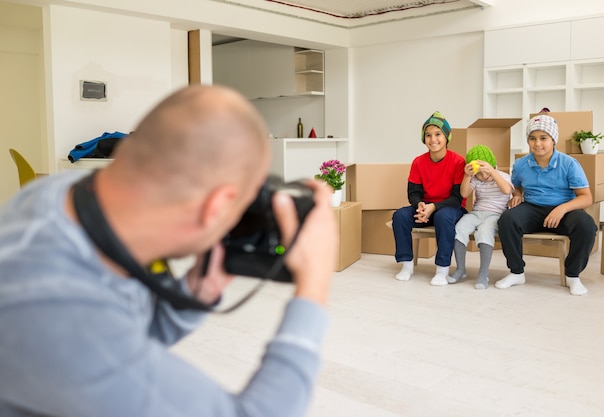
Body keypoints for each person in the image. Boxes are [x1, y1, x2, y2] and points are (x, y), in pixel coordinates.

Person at [0, 85, 338, 416]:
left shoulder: (60, 194)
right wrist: (314, 287)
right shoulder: (66, 323)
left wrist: (195, 292)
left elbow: (127, 335)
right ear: (217, 207)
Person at [496, 114, 597, 296]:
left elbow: (586, 197)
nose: (538, 144)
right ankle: (516, 272)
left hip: (563, 208)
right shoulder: (520, 164)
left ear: (553, 140)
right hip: (533, 207)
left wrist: (562, 208)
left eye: (544, 138)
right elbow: (517, 186)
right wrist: (517, 194)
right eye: (532, 138)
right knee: (507, 219)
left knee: (587, 226)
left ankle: (572, 275)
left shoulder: (569, 164)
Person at [392, 111, 467, 285]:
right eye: (428, 135)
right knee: (400, 216)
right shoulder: (418, 162)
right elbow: (413, 192)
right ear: (423, 138)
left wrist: (433, 206)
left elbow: (457, 198)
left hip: (451, 209)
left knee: (443, 216)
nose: (433, 139)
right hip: (426, 208)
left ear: (447, 136)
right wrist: (420, 205)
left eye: (438, 134)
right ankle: (407, 265)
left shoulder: (458, 161)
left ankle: (442, 269)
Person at [447, 145, 513, 290]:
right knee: (459, 228)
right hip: (477, 213)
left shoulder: (502, 176)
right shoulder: (475, 179)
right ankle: (461, 269)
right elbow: (464, 194)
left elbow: (507, 190)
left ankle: (483, 274)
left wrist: (492, 172)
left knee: (484, 232)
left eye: (485, 173)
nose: (483, 177)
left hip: (495, 215)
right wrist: (468, 175)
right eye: (479, 174)